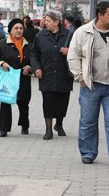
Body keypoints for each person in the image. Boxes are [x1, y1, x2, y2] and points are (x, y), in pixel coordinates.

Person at [68, 1, 109, 168]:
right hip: (90, 86)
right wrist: (80, 77)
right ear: (100, 15)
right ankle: (88, 153)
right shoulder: (83, 32)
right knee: (88, 122)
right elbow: (73, 56)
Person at [30, 10, 73, 140]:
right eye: (45, 20)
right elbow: (34, 55)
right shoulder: (40, 36)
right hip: (46, 74)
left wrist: (70, 52)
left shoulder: (69, 35)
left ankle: (59, 125)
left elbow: (79, 51)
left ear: (56, 22)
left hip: (63, 74)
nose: (45, 23)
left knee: (62, 102)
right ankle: (48, 130)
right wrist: (36, 68)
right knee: (48, 102)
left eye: (48, 20)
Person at [0, 19, 32, 137]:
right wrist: (2, 63)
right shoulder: (3, 44)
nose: (19, 31)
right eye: (16, 28)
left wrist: (30, 67)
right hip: (8, 78)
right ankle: (3, 129)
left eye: (21, 28)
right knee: (5, 101)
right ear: (10, 30)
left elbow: (35, 60)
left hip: (23, 78)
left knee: (23, 102)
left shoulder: (28, 45)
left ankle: (24, 125)